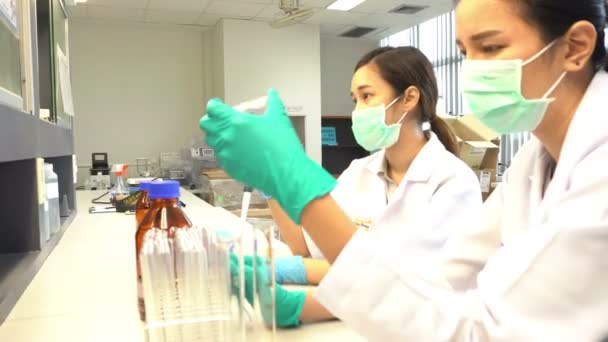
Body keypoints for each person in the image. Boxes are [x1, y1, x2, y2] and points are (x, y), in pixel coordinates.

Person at [200, 0, 608, 339]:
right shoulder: (533, 162)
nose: (473, 71)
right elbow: (443, 283)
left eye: (491, 48)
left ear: (575, 47)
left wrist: (291, 178)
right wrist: (291, 291)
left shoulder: (597, 168)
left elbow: (477, 330)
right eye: (466, 53)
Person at [265, 46, 483, 326]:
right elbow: (308, 246)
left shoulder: (452, 181)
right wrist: (272, 175)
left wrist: (300, 275)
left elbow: (403, 280)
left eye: (367, 96)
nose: (357, 111)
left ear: (409, 98)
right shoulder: (359, 172)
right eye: (355, 100)